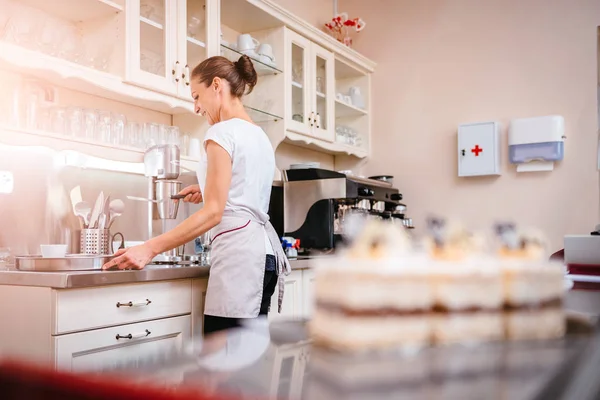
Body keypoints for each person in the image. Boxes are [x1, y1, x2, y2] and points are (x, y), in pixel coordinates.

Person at [102, 54, 291, 335]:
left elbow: (214, 213)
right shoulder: (259, 135)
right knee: (246, 367)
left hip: (239, 261)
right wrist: (207, 190)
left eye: (197, 96)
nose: (196, 107)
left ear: (216, 86)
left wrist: (149, 248)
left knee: (224, 365)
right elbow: (244, 189)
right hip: (263, 257)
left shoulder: (221, 133)